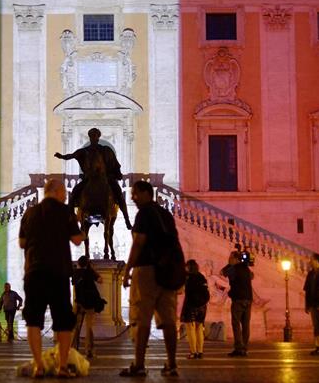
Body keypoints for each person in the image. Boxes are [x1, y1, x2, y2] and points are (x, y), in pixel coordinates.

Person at [19, 177, 85, 378]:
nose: (66, 196)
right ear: (57, 192)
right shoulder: (66, 212)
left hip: (34, 271)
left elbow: (22, 243)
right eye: (64, 192)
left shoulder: (30, 213)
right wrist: (82, 228)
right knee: (64, 321)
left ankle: (39, 365)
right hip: (58, 272)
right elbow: (76, 240)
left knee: (33, 320)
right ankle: (63, 366)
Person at [121, 180, 180, 377]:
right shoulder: (166, 214)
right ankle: (172, 364)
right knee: (169, 320)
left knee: (141, 318)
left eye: (135, 193)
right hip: (167, 272)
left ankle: (139, 364)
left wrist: (127, 269)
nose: (133, 197)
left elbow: (138, 243)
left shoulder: (144, 213)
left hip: (146, 270)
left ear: (147, 193)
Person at [54, 127, 133, 229]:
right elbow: (72, 155)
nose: (93, 137)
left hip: (106, 179)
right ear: (90, 137)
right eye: (92, 135)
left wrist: (117, 173)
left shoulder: (106, 150)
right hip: (89, 179)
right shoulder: (84, 151)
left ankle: (127, 219)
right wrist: (62, 156)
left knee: (119, 194)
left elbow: (114, 163)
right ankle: (70, 218)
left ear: (98, 137)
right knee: (74, 192)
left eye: (95, 135)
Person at [222, 250, 253, 357]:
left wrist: (230, 264)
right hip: (248, 299)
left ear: (235, 258)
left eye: (230, 257)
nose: (229, 259)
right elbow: (252, 276)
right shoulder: (246, 268)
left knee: (236, 324)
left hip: (238, 299)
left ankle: (239, 348)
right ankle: (244, 348)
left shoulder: (233, 268)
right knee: (245, 324)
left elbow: (222, 273)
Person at [71, 255, 104, 358]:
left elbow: (73, 283)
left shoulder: (75, 273)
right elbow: (100, 280)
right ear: (87, 264)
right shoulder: (89, 272)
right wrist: (93, 270)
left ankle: (73, 348)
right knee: (89, 327)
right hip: (89, 303)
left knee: (75, 327)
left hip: (78, 302)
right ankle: (89, 350)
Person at [181, 259, 209, 359]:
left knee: (190, 328)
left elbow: (181, 290)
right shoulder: (201, 277)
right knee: (199, 328)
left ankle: (193, 352)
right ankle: (200, 352)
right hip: (202, 306)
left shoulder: (188, 277)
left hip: (191, 305)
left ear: (189, 267)